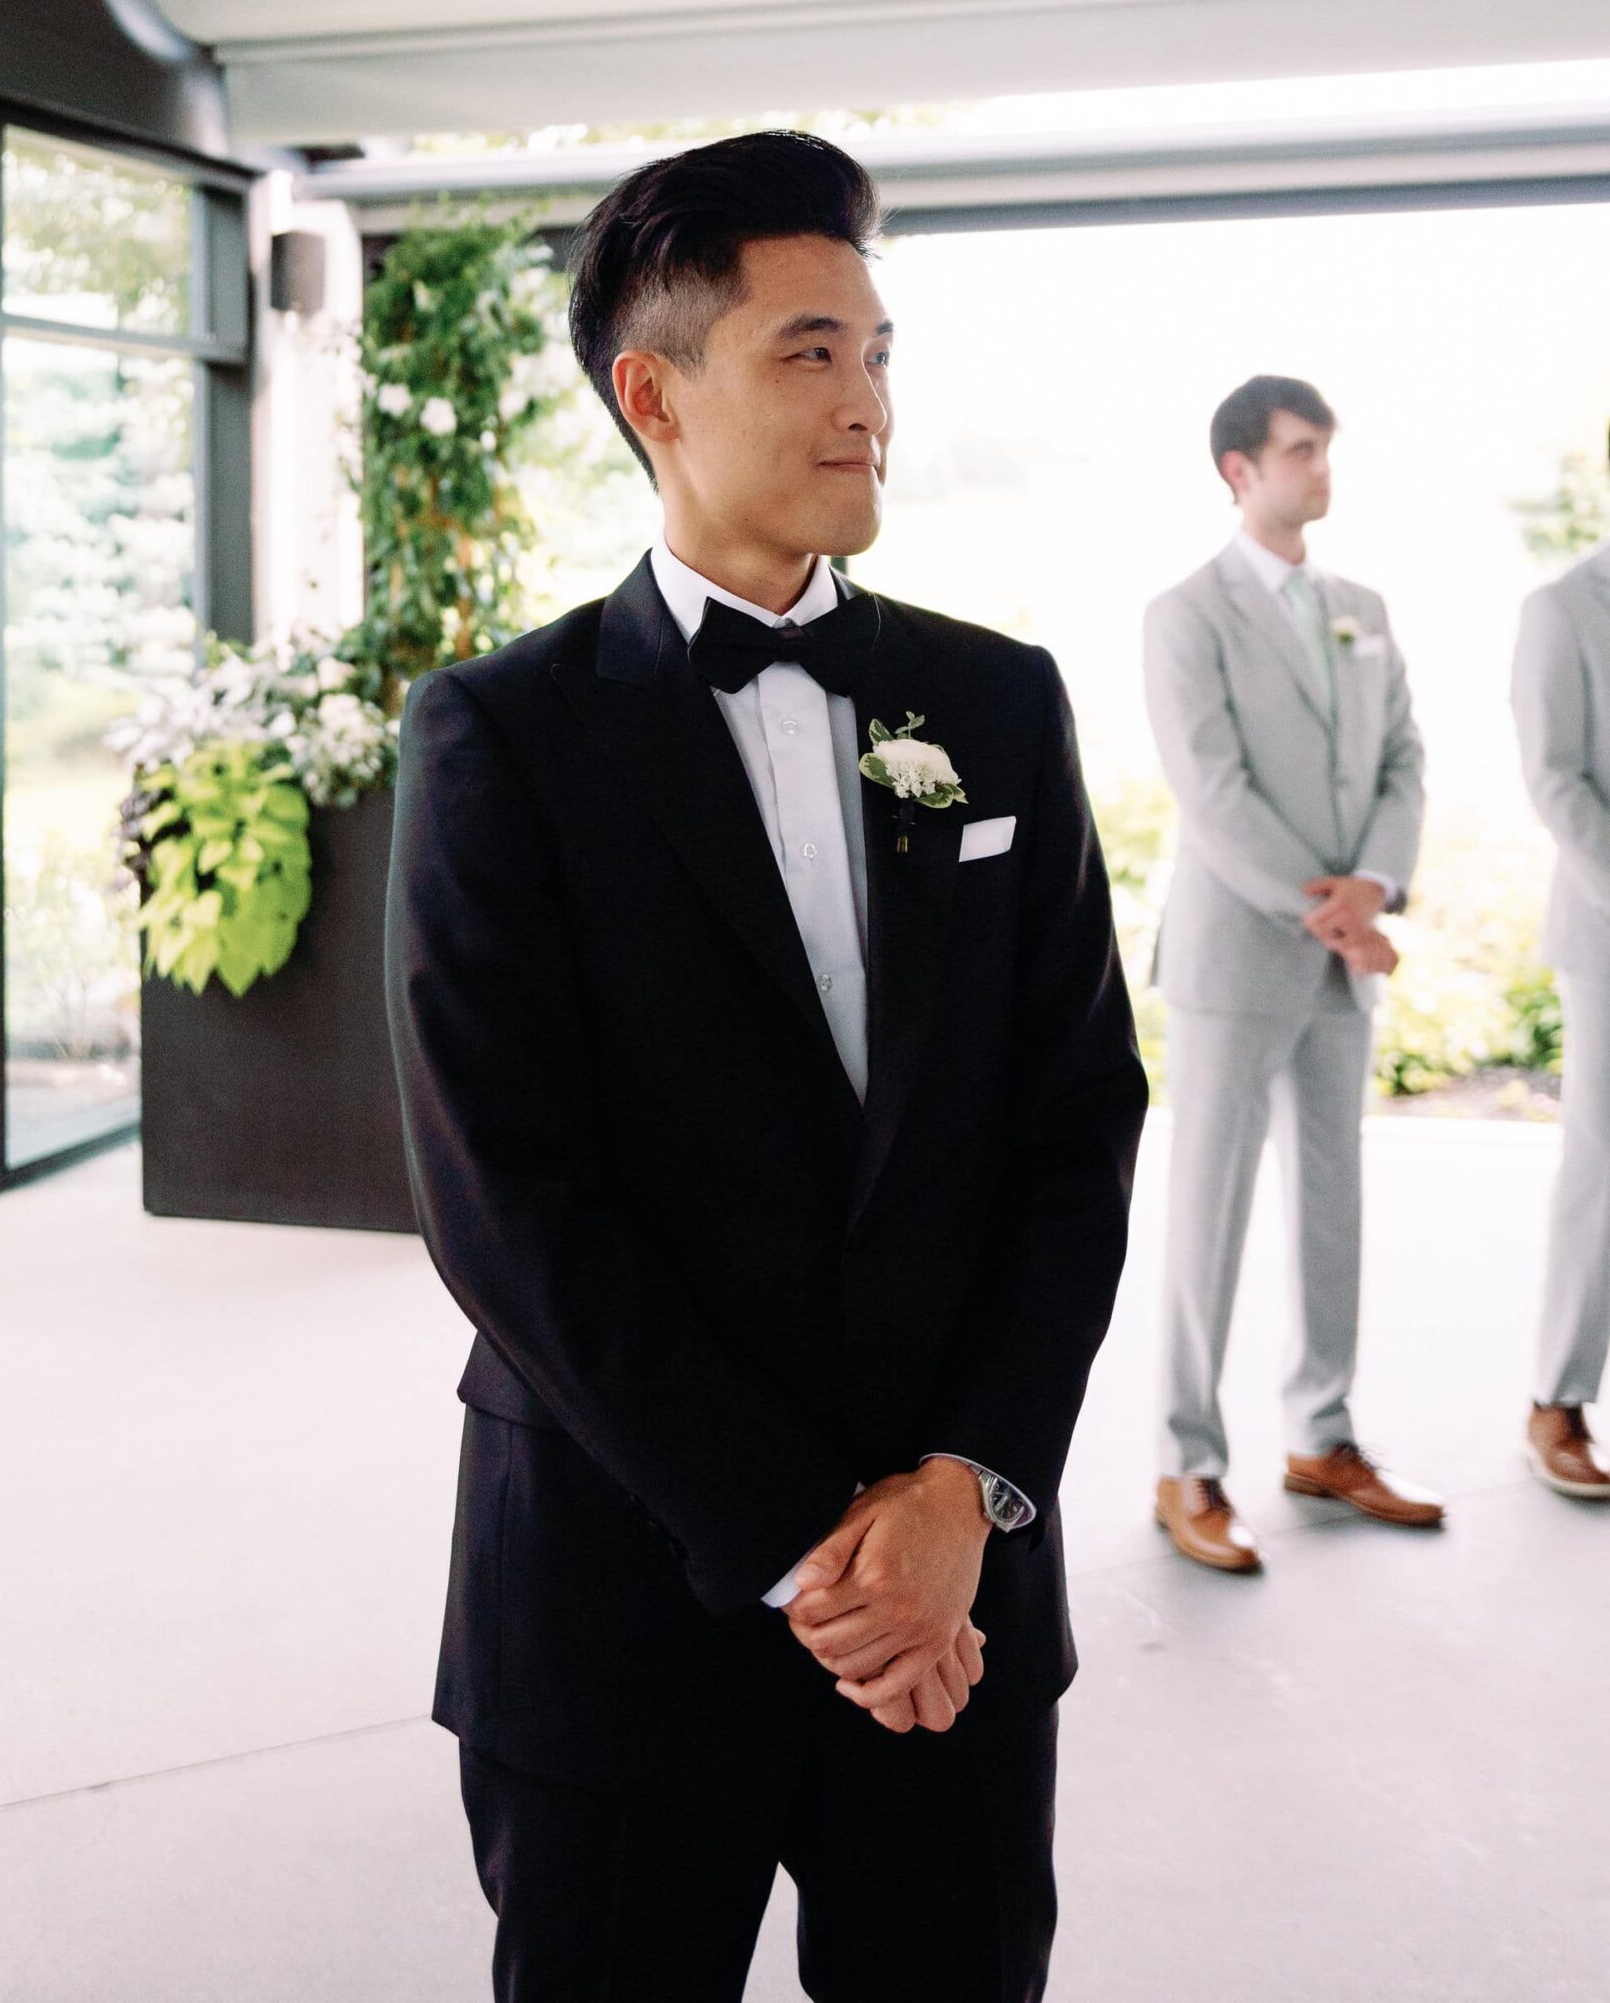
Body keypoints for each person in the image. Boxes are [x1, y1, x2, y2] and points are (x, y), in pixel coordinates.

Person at [383, 130, 1146, 2003]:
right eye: (810, 352)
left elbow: (1075, 1124)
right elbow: (513, 1209)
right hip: (628, 1585)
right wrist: (823, 1558)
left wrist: (965, 1489)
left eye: (879, 353)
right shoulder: (498, 737)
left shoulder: (996, 703)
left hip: (956, 1587)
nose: (867, 402)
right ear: (652, 393)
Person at [1141, 374, 1442, 1574]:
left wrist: (1374, 885)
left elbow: (1405, 760)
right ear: (1237, 469)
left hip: (1338, 956)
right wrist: (1338, 915)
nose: (1321, 469)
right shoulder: (1185, 614)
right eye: (1299, 450)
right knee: (1205, 1215)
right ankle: (1184, 1461)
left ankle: (1322, 1436)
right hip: (1235, 955)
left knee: (1333, 1204)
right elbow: (1211, 794)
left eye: (1324, 449)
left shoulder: (1358, 605)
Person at [1510, 468, 1610, 1500]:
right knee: (1601, 1168)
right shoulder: (1561, 609)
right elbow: (1555, 777)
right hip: (1607, 929)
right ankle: (1557, 1398)